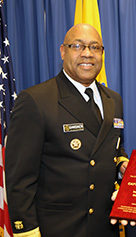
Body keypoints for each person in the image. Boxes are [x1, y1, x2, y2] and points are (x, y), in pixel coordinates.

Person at [5, 23, 128, 237]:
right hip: (59, 228)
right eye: (78, 46)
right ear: (63, 51)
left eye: (95, 47)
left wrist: (122, 164)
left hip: (104, 227)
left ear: (102, 53)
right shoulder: (36, 100)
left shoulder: (113, 99)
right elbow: (20, 179)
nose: (87, 54)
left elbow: (112, 148)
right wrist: (27, 231)